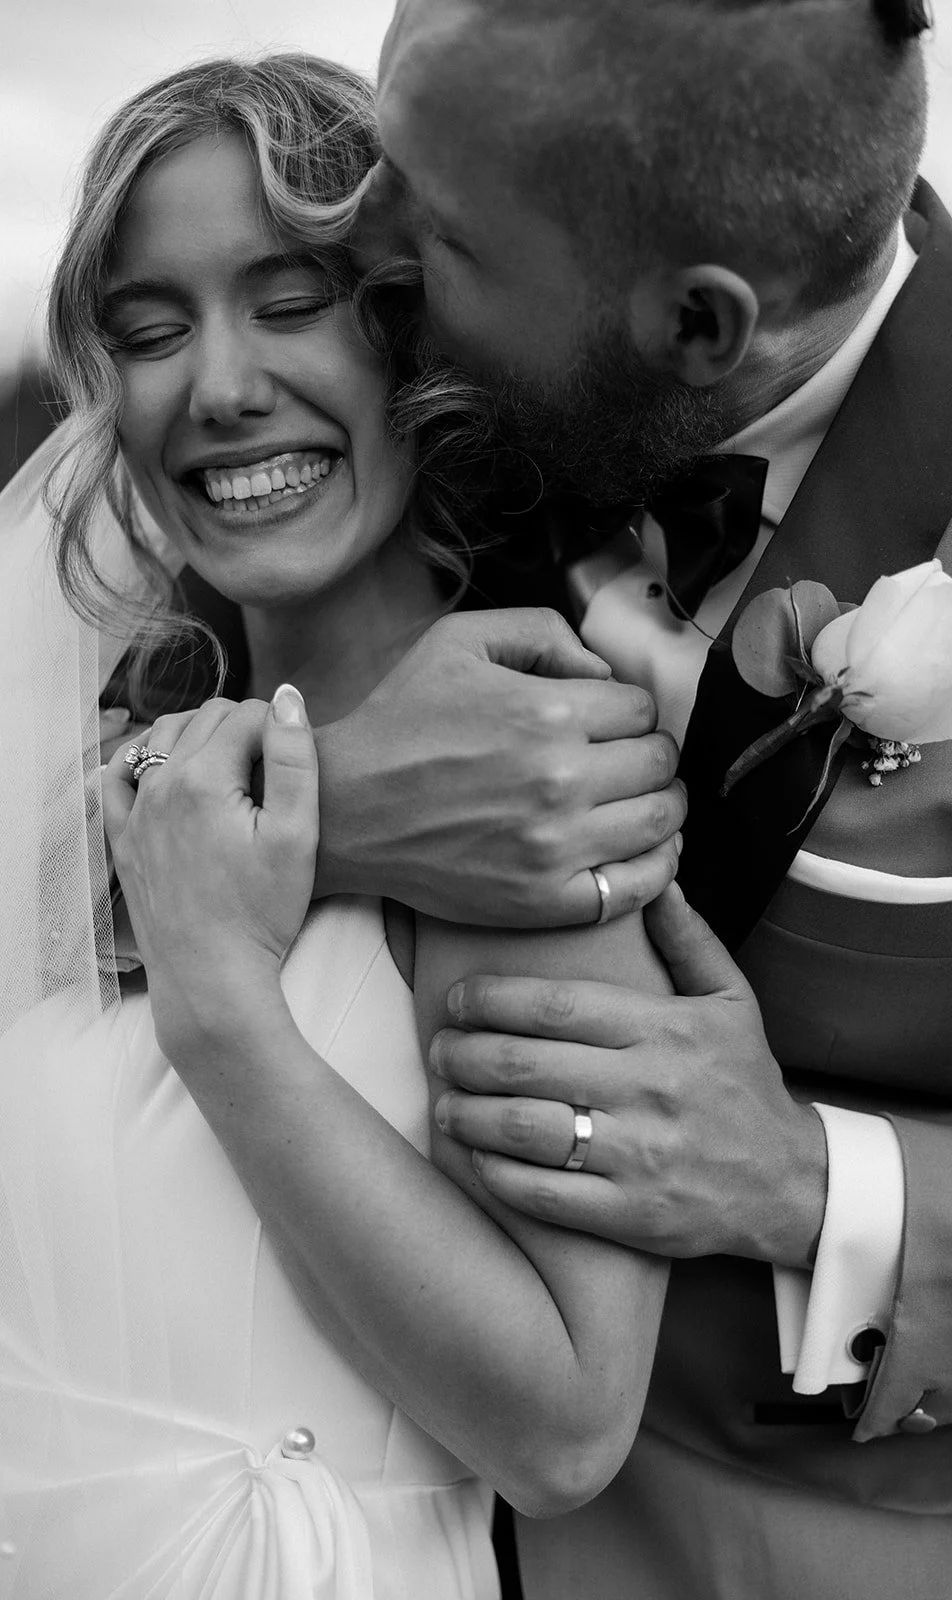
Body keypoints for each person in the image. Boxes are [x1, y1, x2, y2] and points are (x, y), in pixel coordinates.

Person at [337, 1, 952, 1596]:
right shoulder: (332, 372)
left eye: (446, 228)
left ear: (699, 324)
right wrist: (321, 802)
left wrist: (808, 1180)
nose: (360, 242)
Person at [0, 53, 681, 1599]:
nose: (219, 385)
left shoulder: (526, 792)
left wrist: (229, 1020)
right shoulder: (94, 786)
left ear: (409, 335)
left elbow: (566, 1427)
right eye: (150, 331)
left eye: (289, 300)